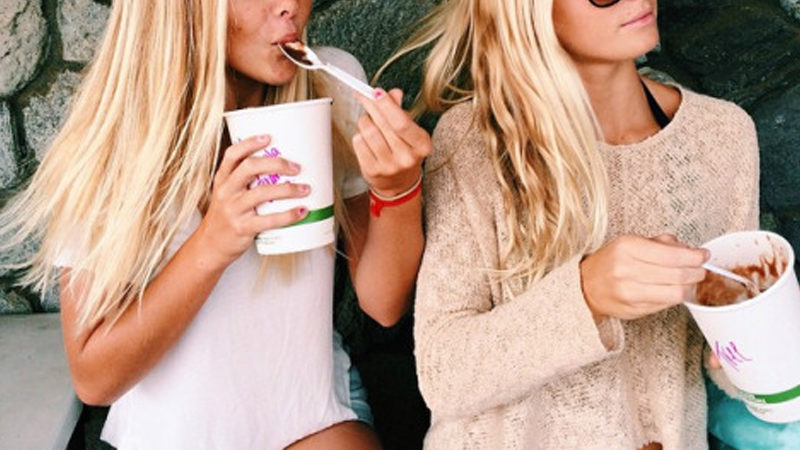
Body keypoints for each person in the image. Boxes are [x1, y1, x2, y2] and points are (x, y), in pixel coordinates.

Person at [0, 0, 431, 448]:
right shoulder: (116, 143)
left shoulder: (333, 84)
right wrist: (212, 244)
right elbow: (95, 379)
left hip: (311, 414)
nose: (291, 7)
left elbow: (384, 305)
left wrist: (397, 190)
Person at [384, 0, 759, 448]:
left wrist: (755, 355)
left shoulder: (724, 135)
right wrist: (587, 294)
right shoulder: (477, 140)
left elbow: (731, 354)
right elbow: (443, 376)